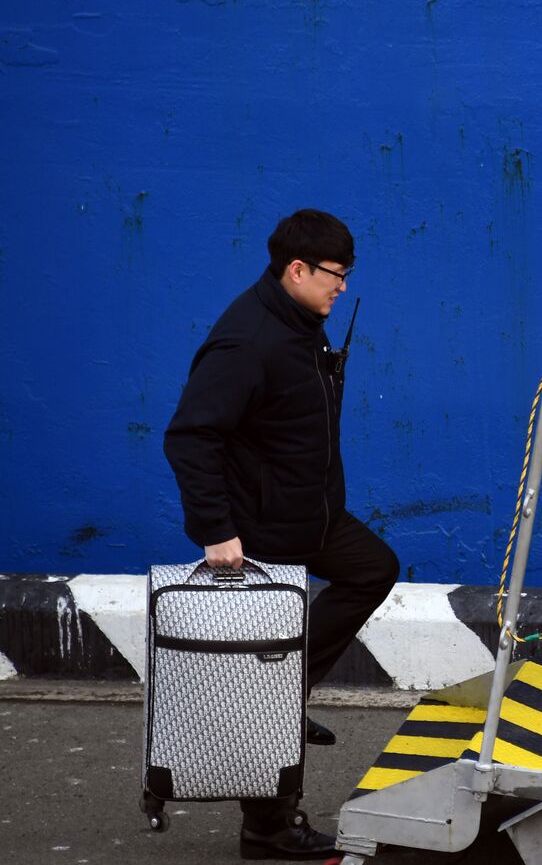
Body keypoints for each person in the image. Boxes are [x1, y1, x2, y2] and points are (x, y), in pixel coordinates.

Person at [164, 208, 399, 860]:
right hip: (262, 528)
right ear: (297, 269)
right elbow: (190, 436)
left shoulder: (302, 322)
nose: (342, 287)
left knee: (373, 567)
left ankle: (289, 687)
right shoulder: (249, 341)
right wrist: (217, 530)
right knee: (262, 683)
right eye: (335, 275)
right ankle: (268, 829)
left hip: (312, 515)